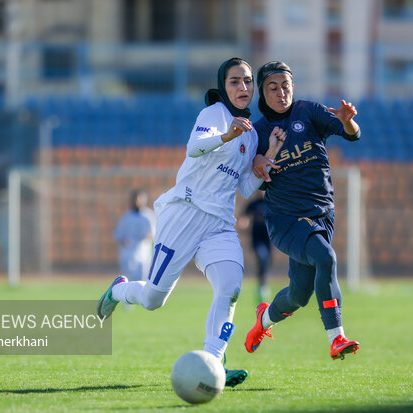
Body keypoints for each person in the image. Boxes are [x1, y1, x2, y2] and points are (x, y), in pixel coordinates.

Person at [97, 57, 285, 387]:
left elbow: (242, 187)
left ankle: (213, 362)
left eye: (247, 81)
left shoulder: (252, 136)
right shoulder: (214, 115)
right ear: (223, 87)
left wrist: (266, 159)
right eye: (234, 82)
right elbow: (194, 148)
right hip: (183, 214)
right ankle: (120, 291)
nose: (243, 87)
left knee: (230, 286)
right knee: (154, 299)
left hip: (219, 224)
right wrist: (226, 135)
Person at [244, 61, 361, 361]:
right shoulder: (257, 132)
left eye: (286, 86)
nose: (281, 92)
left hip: (322, 213)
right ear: (263, 92)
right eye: (273, 87)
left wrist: (348, 121)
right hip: (285, 219)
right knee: (326, 257)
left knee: (299, 295)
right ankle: (337, 338)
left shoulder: (309, 111)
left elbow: (353, 134)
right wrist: (261, 161)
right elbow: (249, 184)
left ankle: (263, 320)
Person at [114, 189, 155, 282]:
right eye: (134, 199)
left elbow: (153, 236)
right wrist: (124, 241)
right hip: (128, 255)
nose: (136, 201)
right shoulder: (126, 217)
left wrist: (147, 237)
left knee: (143, 283)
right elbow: (118, 235)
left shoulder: (148, 217)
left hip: (144, 255)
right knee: (128, 282)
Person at [239, 192, 272, 304]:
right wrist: (243, 223)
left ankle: (262, 285)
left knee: (266, 261)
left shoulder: (270, 203)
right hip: (257, 238)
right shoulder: (254, 204)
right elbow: (244, 218)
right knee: (262, 257)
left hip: (268, 238)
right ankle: (262, 288)